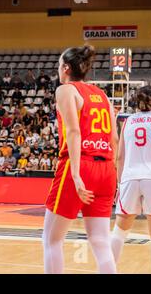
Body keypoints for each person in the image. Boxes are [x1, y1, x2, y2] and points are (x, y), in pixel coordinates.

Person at [43, 45, 118, 274]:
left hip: (79, 163)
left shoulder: (66, 90)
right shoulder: (103, 95)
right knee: (101, 242)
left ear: (65, 68)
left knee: (51, 240)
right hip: (106, 168)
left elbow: (74, 132)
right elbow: (114, 138)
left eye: (58, 65)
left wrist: (75, 174)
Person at [111, 86, 151, 273]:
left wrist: (119, 186)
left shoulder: (128, 121)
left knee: (119, 232)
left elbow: (120, 157)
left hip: (129, 178)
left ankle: (108, 269)